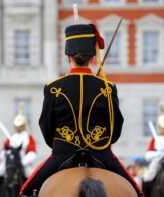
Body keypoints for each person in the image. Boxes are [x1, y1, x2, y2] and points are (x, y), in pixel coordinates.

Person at [20, 24, 144, 197]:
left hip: (62, 154)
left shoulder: (53, 87)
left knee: (25, 191)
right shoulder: (108, 87)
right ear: (93, 58)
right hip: (102, 154)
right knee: (138, 193)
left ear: (68, 57)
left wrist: (61, 144)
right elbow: (115, 129)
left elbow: (46, 127)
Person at [0, 103, 37, 197]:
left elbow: (32, 152)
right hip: (10, 162)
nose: (18, 127)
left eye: (20, 126)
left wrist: (23, 162)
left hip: (23, 162)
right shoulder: (11, 137)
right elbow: (3, 151)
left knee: (34, 178)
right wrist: (7, 157)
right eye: (17, 126)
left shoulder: (29, 137)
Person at [142, 102, 164, 196]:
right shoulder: (156, 139)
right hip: (159, 159)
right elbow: (147, 155)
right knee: (147, 176)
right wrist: (158, 154)